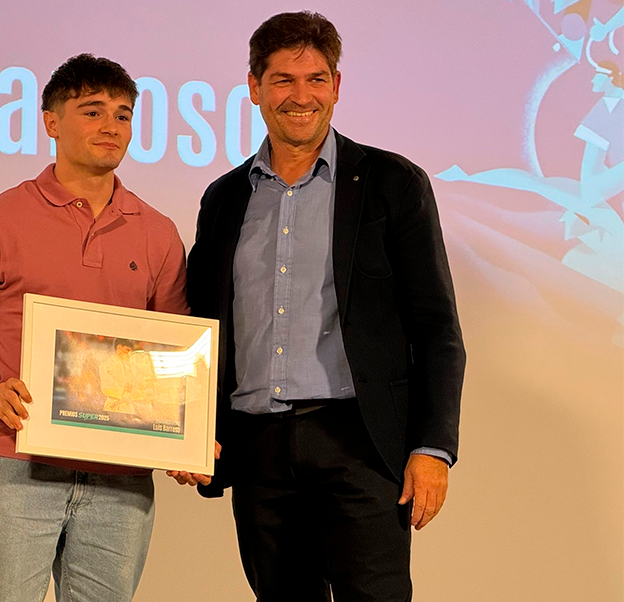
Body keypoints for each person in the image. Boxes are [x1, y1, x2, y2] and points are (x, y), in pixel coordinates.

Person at [176, 12, 466, 601]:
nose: (300, 96)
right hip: (257, 449)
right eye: (283, 80)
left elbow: (436, 328)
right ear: (254, 88)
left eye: (315, 79)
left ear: (337, 86)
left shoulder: (392, 183)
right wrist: (184, 432)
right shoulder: (224, 197)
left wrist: (432, 448)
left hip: (359, 444)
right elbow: (201, 328)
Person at [0, 53, 188, 602]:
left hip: (123, 478)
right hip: (18, 464)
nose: (111, 127)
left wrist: (188, 432)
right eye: (92, 112)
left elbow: (176, 359)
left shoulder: (159, 233)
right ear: (51, 121)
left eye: (122, 114)